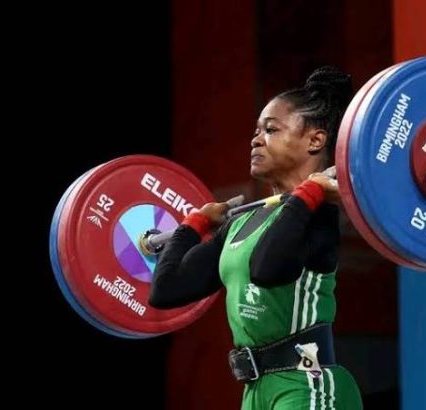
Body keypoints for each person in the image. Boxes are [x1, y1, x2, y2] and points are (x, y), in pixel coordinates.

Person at [149, 66, 363, 410]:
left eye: (271, 129)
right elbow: (167, 290)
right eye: (257, 131)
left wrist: (310, 193)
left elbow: (267, 269)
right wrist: (194, 225)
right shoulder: (242, 222)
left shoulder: (319, 216)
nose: (256, 139)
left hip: (307, 383)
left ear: (315, 140)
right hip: (256, 391)